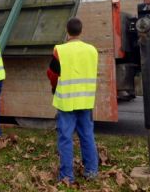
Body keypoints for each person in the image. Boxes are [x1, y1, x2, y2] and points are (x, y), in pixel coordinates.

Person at [46, 17, 98, 183]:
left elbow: (52, 74)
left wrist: (54, 88)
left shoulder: (60, 51)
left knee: (65, 138)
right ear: (81, 31)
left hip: (67, 101)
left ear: (67, 31)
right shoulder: (92, 50)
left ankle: (67, 176)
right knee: (87, 135)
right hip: (86, 101)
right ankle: (91, 171)